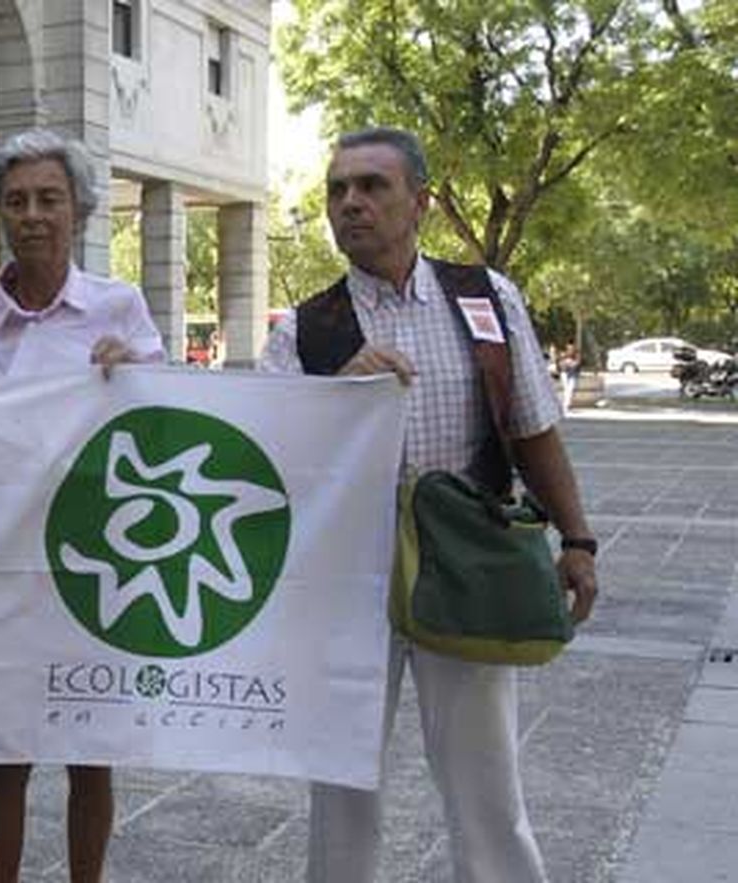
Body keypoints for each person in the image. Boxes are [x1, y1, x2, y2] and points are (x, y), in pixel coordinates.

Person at [258, 127, 600, 883]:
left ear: (420, 202)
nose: (350, 203)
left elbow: (531, 427)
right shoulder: (303, 331)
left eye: (371, 186)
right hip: (349, 576)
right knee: (341, 782)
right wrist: (338, 394)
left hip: (467, 559)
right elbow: (272, 465)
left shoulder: (486, 297)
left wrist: (578, 540)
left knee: (487, 784)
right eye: (337, 190)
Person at [0, 129, 165, 883]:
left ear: (79, 209)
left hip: (95, 562)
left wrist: (137, 374)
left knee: (92, 752)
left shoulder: (119, 308)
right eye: (16, 200)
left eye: (49, 198)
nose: (32, 215)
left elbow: (163, 424)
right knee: (4, 751)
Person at [559, 342, 582, 413]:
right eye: (569, 348)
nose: (570, 349)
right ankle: (566, 406)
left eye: (572, 348)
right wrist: (566, 363)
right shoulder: (563, 355)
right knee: (566, 389)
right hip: (565, 373)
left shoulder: (577, 355)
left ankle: (567, 405)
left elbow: (577, 363)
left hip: (573, 374)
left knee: (571, 389)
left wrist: (572, 363)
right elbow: (560, 364)